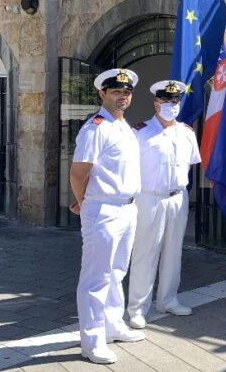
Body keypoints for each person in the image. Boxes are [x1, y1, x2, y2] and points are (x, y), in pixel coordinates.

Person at [69, 68, 144, 364]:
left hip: (127, 207)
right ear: (102, 93)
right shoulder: (96, 127)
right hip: (102, 209)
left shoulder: (124, 127)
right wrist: (83, 203)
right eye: (115, 91)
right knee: (95, 277)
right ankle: (92, 340)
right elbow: (77, 173)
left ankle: (113, 325)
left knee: (117, 272)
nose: (122, 96)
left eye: (126, 92)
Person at [126, 80, 201, 329]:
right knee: (145, 253)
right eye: (166, 100)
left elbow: (190, 164)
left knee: (173, 252)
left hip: (177, 198)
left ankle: (167, 299)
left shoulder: (187, 133)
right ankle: (137, 307)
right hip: (149, 198)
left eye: (175, 101)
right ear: (156, 102)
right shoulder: (140, 132)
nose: (170, 105)